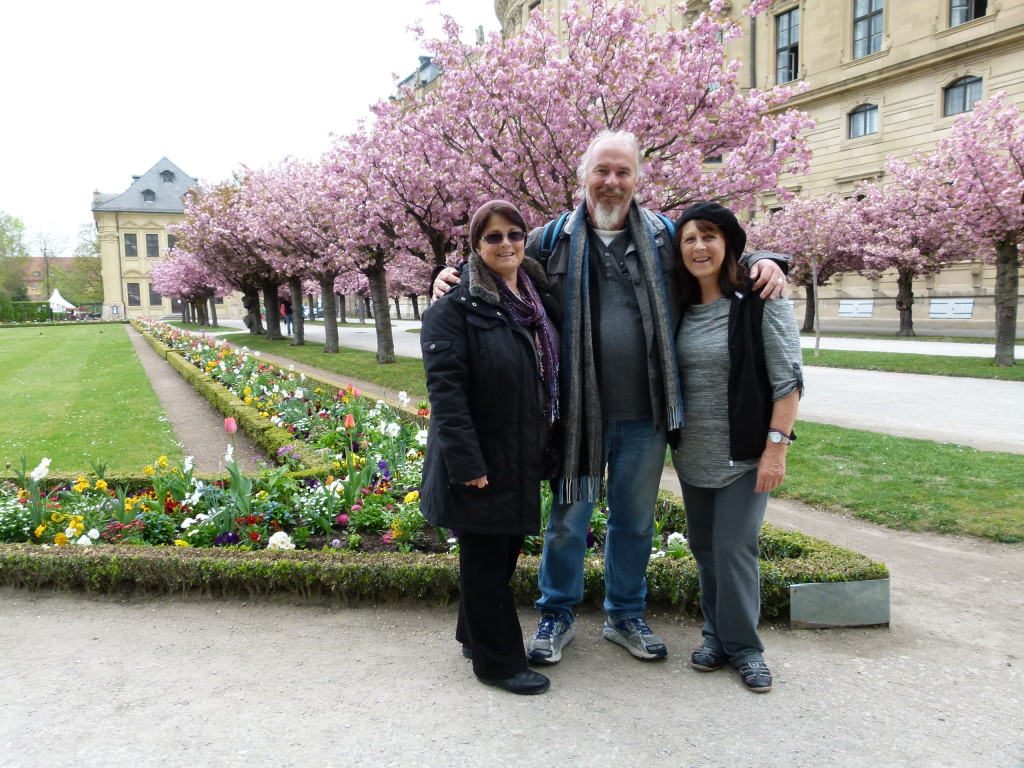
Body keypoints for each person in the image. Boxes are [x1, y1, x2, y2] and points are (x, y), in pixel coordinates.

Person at [433, 131, 789, 665]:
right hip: (574, 414)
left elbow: (714, 248)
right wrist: (450, 277)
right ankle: (556, 613)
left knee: (635, 521)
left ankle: (626, 614)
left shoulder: (667, 237)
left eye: (623, 172)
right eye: (602, 171)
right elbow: (497, 266)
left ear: (638, 179)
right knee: (568, 520)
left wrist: (766, 259)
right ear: (584, 178)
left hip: (645, 412)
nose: (612, 182)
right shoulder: (553, 239)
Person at [420, 200, 561, 695]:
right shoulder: (454, 307)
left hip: (519, 449)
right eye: (493, 237)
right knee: (485, 560)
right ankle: (498, 663)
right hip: (480, 455)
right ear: (476, 247)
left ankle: (472, 635)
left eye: (514, 234)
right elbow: (447, 395)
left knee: (501, 554)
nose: (506, 244)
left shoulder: (538, 298)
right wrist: (466, 463)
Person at [669, 202, 803, 693]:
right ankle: (716, 638)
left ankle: (746, 649)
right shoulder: (679, 306)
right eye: (689, 239)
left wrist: (776, 449)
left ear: (728, 244)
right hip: (692, 455)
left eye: (709, 236)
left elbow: (789, 381)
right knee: (706, 550)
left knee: (734, 549)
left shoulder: (761, 300)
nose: (699, 247)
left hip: (746, 455)